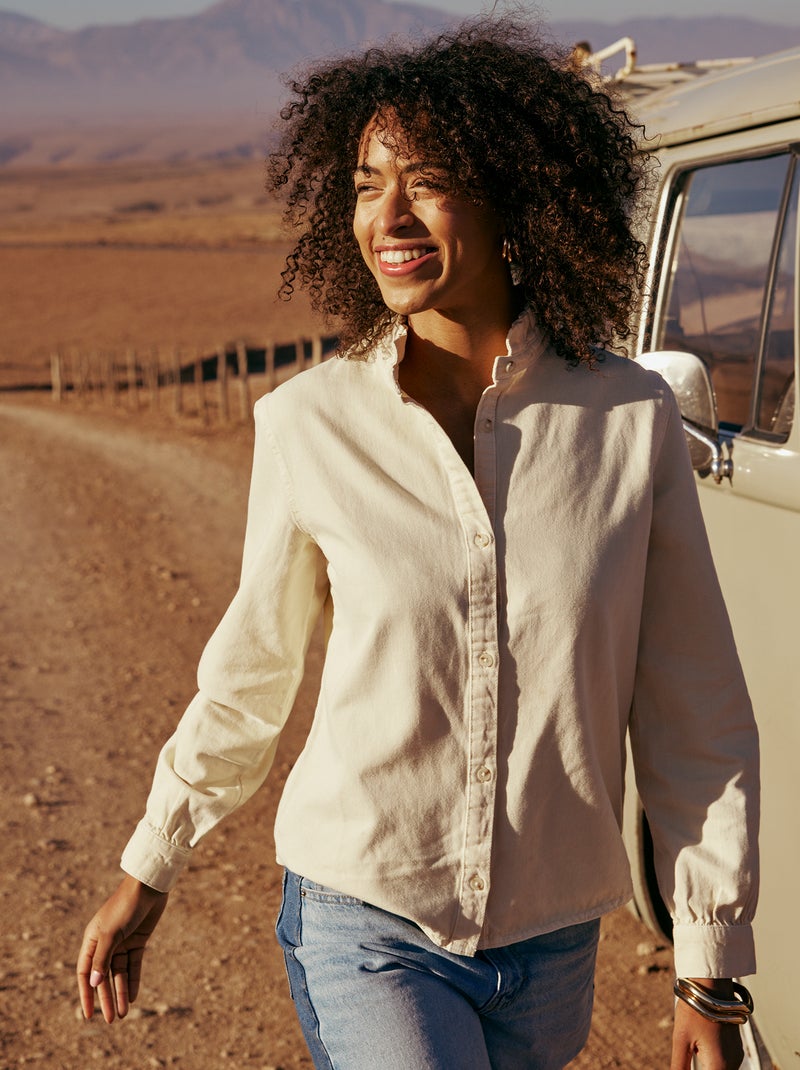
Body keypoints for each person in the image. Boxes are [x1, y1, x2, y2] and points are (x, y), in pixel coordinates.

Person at [77, 17, 759, 1070]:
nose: (386, 214)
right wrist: (151, 860)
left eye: (426, 178)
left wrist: (707, 965)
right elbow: (248, 675)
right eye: (363, 182)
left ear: (513, 198)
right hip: (365, 916)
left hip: (550, 939)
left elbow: (693, 710)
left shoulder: (627, 423)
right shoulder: (309, 423)